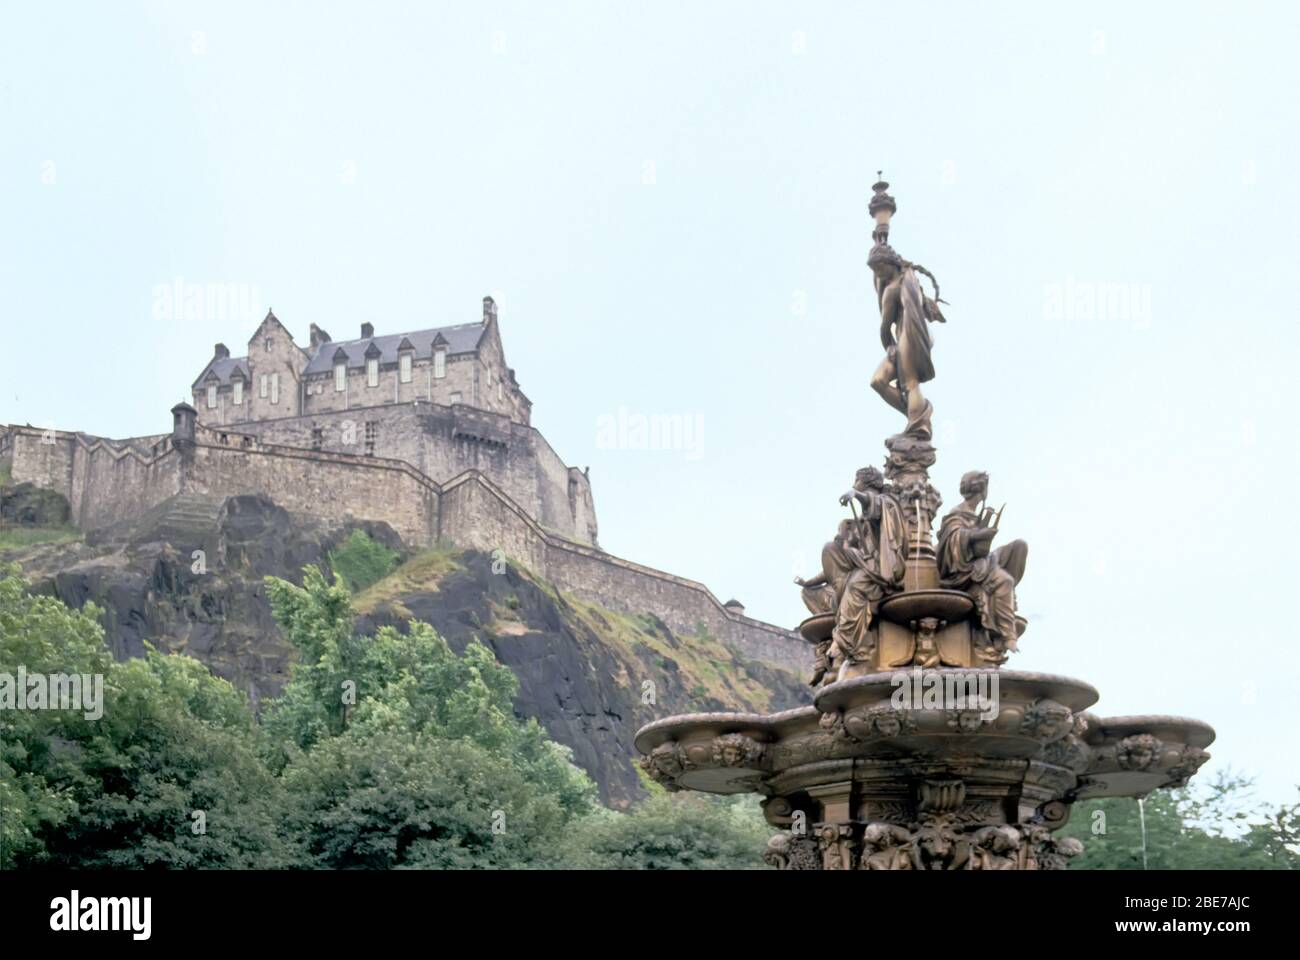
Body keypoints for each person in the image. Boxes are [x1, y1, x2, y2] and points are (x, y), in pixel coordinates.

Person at [936, 471, 1028, 650]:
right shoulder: (958, 513)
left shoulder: (975, 513)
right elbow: (950, 542)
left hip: (981, 560)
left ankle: (1006, 597)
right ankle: (1008, 634)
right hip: (964, 569)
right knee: (1004, 580)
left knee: (1019, 547)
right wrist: (977, 535)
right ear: (982, 489)